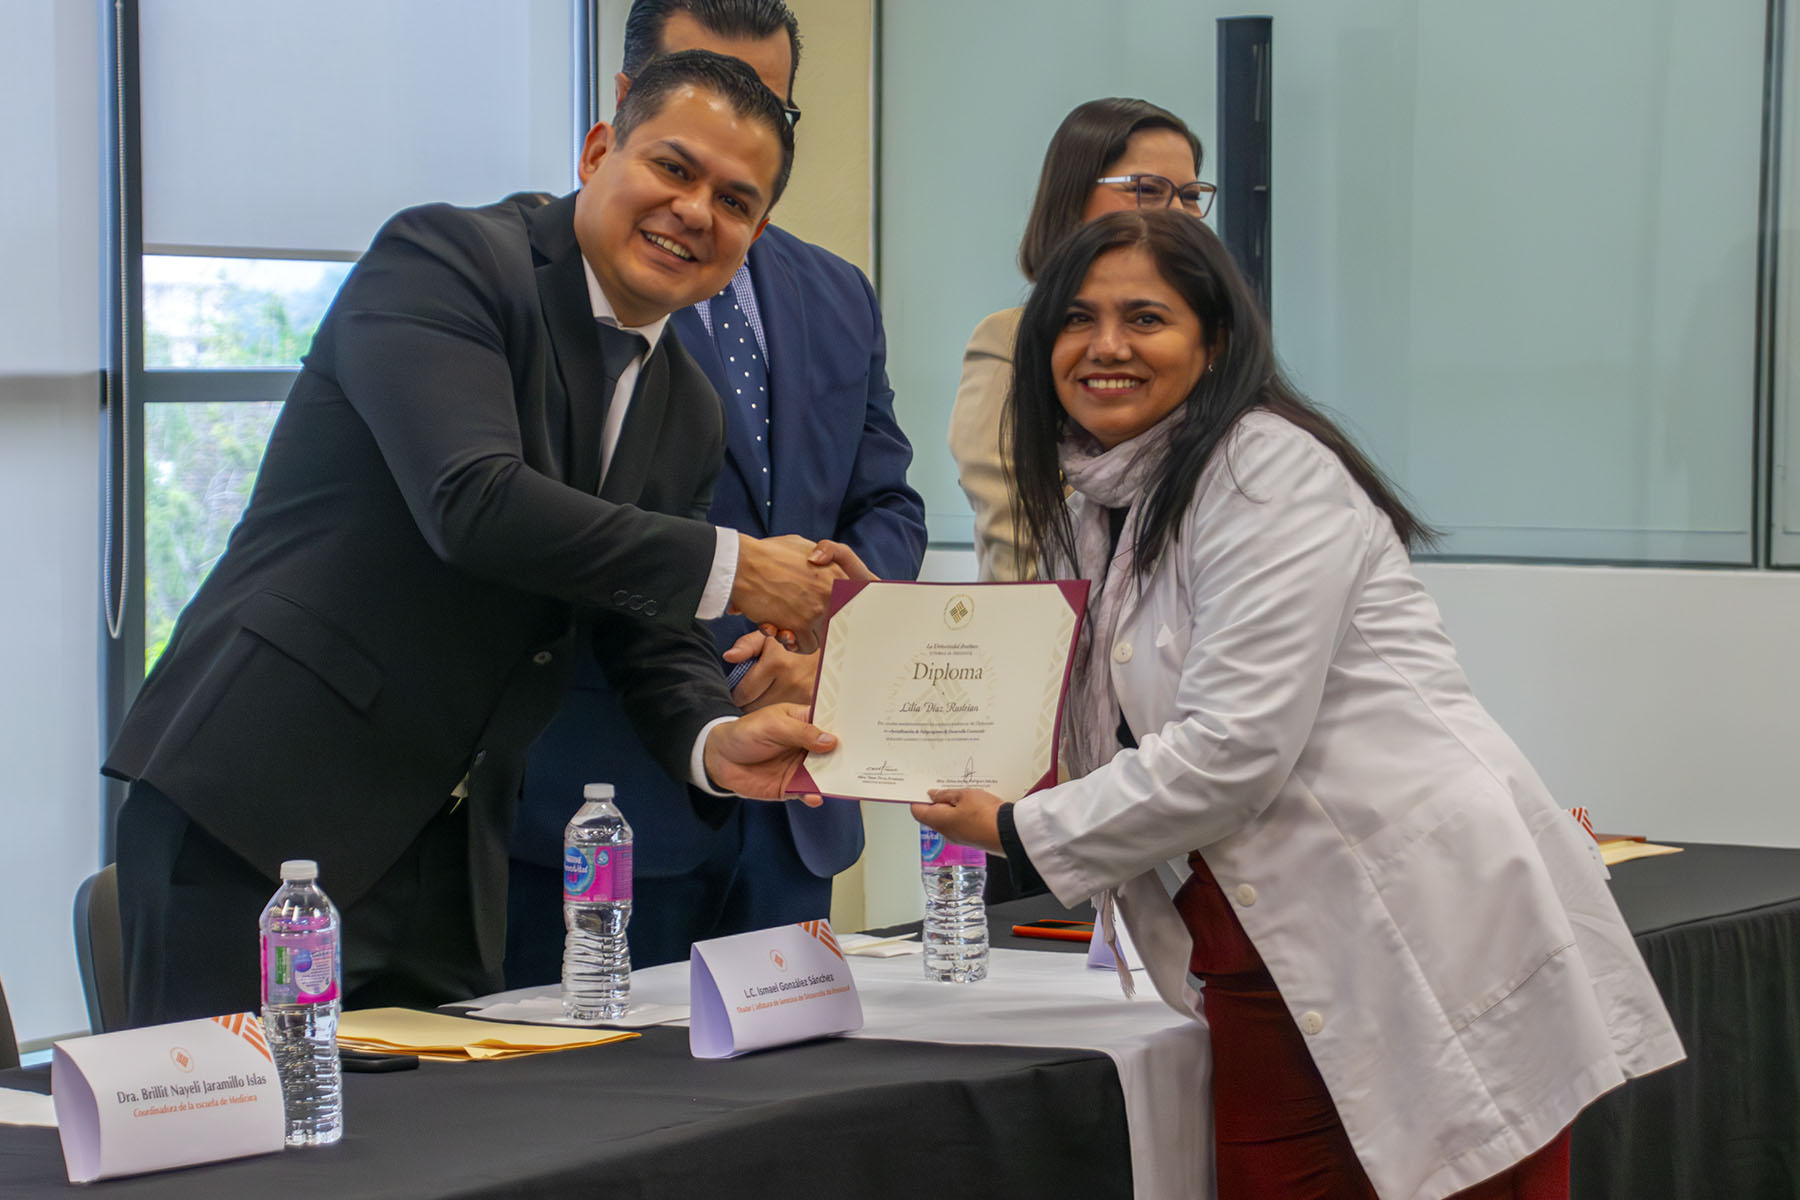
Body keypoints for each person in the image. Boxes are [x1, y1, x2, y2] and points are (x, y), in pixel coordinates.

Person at [914, 210, 1683, 1200]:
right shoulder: (1103, 500)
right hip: (1261, 956)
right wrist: (866, 700)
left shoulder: (1264, 471)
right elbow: (1075, 709)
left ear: (1215, 341)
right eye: (1075, 319)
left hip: (1419, 931)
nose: (1104, 347)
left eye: (1144, 317)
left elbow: (1234, 746)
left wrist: (1019, 829)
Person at [103, 51, 844, 1028]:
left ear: (752, 239)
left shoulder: (686, 407)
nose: (696, 210)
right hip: (258, 816)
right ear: (597, 150)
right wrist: (735, 565)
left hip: (452, 860)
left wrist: (716, 740)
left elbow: (643, 626)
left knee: (439, 1161)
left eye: (737, 201)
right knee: (227, 1160)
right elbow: (473, 501)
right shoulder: (446, 260)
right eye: (673, 168)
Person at [505, 0, 926, 983]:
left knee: (792, 1117)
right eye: (705, 91)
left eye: (766, 110)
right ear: (622, 108)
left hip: (800, 797)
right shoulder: (545, 282)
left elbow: (888, 506)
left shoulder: (837, 291)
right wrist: (744, 602)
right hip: (600, 797)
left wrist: (823, 634)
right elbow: (537, 519)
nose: (735, 124)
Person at [948, 97, 1210, 583]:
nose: (1180, 214)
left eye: (1191, 195)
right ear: (1072, 200)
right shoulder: (1010, 342)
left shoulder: (1208, 343)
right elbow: (1021, 558)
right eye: (1148, 190)